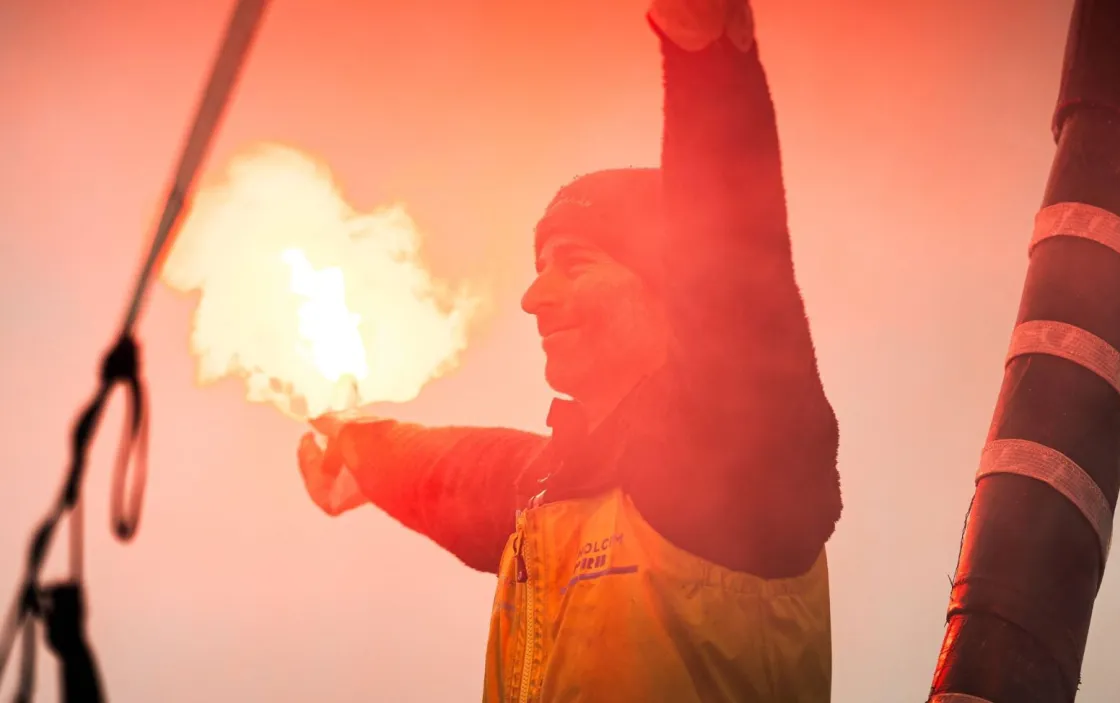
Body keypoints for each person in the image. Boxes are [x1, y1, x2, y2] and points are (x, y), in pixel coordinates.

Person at [296, 1, 842, 700]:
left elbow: (735, 244)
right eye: (540, 267)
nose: (535, 297)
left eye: (575, 264)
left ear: (677, 289)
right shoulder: (559, 488)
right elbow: (457, 471)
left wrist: (705, 59)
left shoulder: (743, 453)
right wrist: (362, 452)